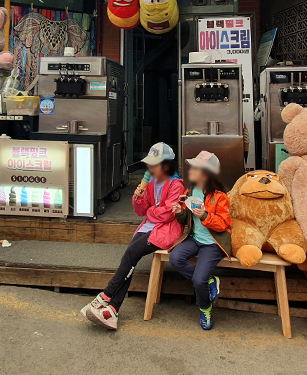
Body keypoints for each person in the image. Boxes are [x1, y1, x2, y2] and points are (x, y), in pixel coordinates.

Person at [80, 142, 184, 330]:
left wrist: (151, 211)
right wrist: (138, 197)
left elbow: (168, 214)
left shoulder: (176, 184)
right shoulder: (151, 183)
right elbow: (140, 211)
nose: (150, 168)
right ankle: (112, 310)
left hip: (166, 229)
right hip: (149, 226)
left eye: (155, 164)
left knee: (132, 252)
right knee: (131, 256)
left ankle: (106, 296)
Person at [170, 151, 232, 331]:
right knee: (175, 259)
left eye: (195, 168)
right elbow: (184, 219)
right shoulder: (190, 191)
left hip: (213, 243)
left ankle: (205, 308)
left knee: (198, 280)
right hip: (195, 238)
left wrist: (205, 215)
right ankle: (211, 280)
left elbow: (223, 224)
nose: (191, 170)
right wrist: (179, 212)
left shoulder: (220, 196)